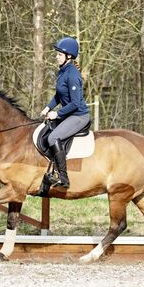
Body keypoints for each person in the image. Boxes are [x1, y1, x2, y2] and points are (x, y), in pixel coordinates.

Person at [40, 37, 90, 189]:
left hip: (79, 115)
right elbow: (59, 95)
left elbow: (75, 103)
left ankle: (63, 178)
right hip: (69, 114)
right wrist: (48, 108)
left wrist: (57, 114)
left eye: (59, 54)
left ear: (68, 56)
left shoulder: (73, 75)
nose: (56, 56)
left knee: (54, 137)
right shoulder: (62, 72)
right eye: (57, 54)